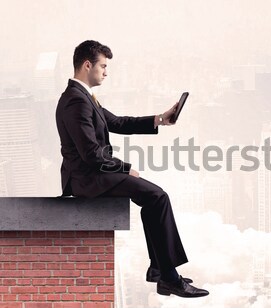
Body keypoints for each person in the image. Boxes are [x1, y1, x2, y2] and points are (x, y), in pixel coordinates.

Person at [55, 40, 209, 298]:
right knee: (157, 197)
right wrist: (125, 170)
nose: (106, 72)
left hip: (94, 174)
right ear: (87, 65)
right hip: (88, 179)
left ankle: (159, 270)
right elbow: (91, 154)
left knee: (153, 200)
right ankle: (168, 277)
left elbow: (116, 122)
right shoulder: (76, 101)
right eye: (103, 66)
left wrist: (160, 119)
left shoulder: (82, 96)